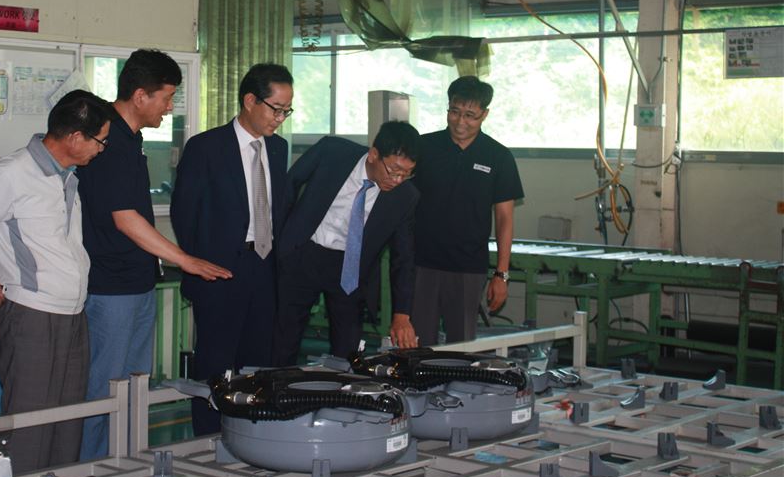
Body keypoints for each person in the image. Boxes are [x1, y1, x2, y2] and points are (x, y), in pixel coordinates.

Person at [0, 90, 116, 477]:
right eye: (100, 140)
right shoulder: (14, 172)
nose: (101, 149)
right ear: (75, 137)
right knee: (29, 426)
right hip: (33, 316)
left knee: (67, 422)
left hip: (72, 315)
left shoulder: (65, 176)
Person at [78, 49, 230, 460]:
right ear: (140, 95)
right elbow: (125, 218)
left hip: (136, 282)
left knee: (133, 388)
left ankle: (125, 469)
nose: (169, 107)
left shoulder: (131, 138)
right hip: (110, 288)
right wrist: (185, 259)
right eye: (167, 97)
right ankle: (89, 474)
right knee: (104, 391)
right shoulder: (108, 139)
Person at [171, 63, 293, 435]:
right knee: (216, 364)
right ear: (250, 100)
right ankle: (208, 441)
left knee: (258, 363)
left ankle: (251, 435)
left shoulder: (279, 149)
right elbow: (184, 214)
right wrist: (198, 266)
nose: (280, 119)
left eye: (286, 111)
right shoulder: (206, 147)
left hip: (265, 267)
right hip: (219, 271)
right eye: (276, 109)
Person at [272, 121, 420, 367]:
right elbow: (290, 184)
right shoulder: (332, 152)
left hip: (350, 267)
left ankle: (341, 390)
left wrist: (401, 314)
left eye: (406, 173)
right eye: (393, 170)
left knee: (347, 350)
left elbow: (404, 258)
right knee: (283, 340)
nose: (397, 180)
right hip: (304, 253)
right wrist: (281, 240)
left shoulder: (406, 197)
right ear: (373, 154)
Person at [410, 76, 524, 345]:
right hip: (422, 263)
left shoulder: (498, 156)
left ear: (485, 114)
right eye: (455, 112)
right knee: (417, 345)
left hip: (468, 266)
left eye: (470, 115)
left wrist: (501, 274)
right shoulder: (424, 148)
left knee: (461, 346)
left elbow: (504, 218)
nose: (460, 121)